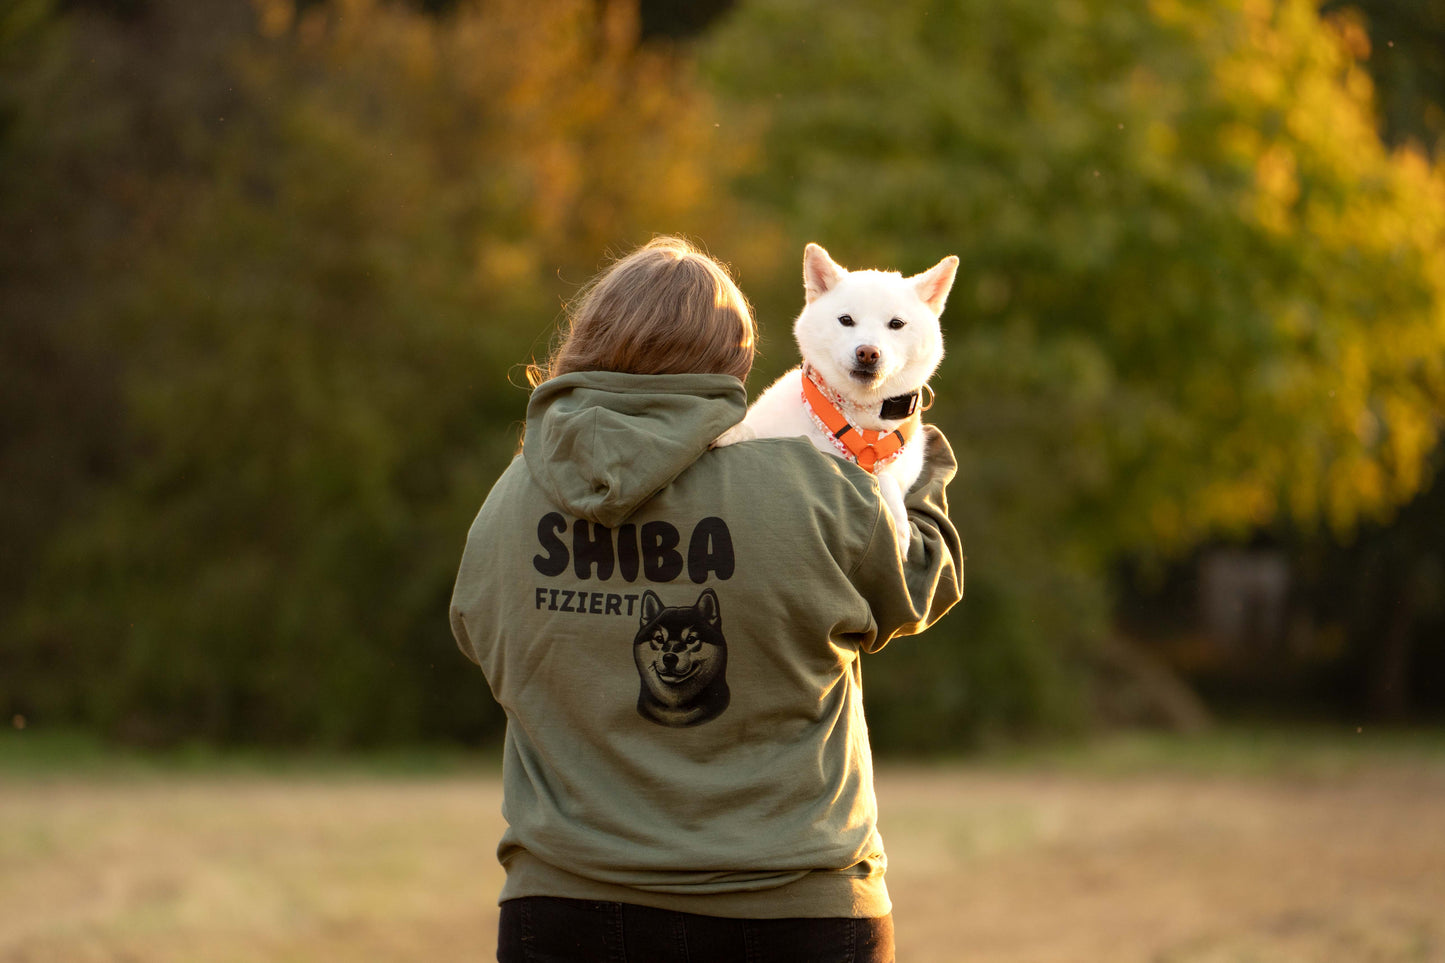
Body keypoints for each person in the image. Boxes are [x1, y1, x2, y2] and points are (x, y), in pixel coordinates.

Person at [449, 236, 964, 963]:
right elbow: (921, 582)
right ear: (734, 356)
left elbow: (479, 636)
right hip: (793, 900)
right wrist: (916, 452)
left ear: (587, 337)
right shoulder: (812, 487)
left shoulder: (514, 496)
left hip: (566, 899)